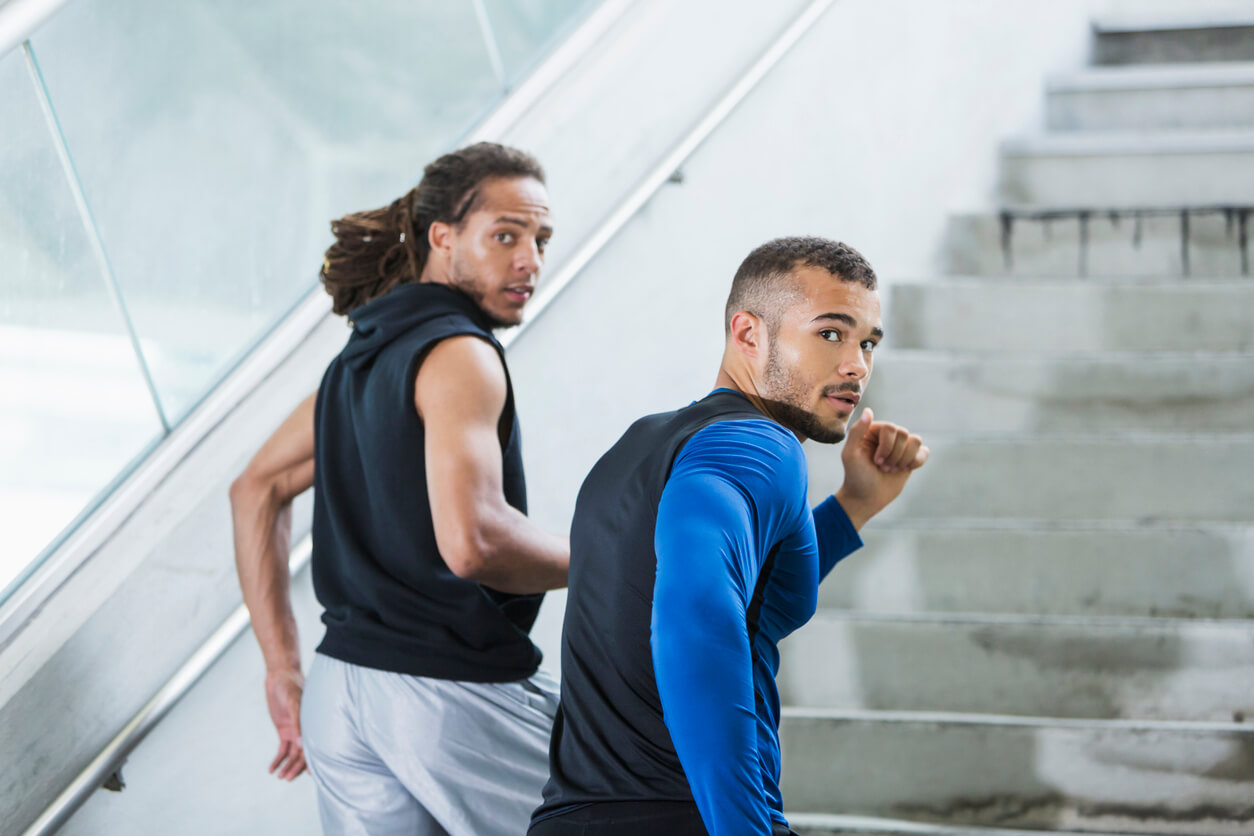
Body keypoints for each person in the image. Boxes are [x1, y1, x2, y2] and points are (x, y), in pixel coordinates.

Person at [529, 237, 929, 836]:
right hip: (684, 817)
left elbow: (742, 586)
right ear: (748, 334)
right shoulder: (762, 447)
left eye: (868, 342)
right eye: (830, 334)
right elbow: (696, 618)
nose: (857, 365)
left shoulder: (641, 444)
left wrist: (854, 506)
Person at [229, 142, 569, 836]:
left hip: (341, 695)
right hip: (444, 697)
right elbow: (473, 542)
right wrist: (620, 553)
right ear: (442, 237)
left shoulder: (359, 360)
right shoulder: (461, 355)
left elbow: (254, 489)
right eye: (505, 235)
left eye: (539, 239)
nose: (530, 259)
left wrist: (280, 667)